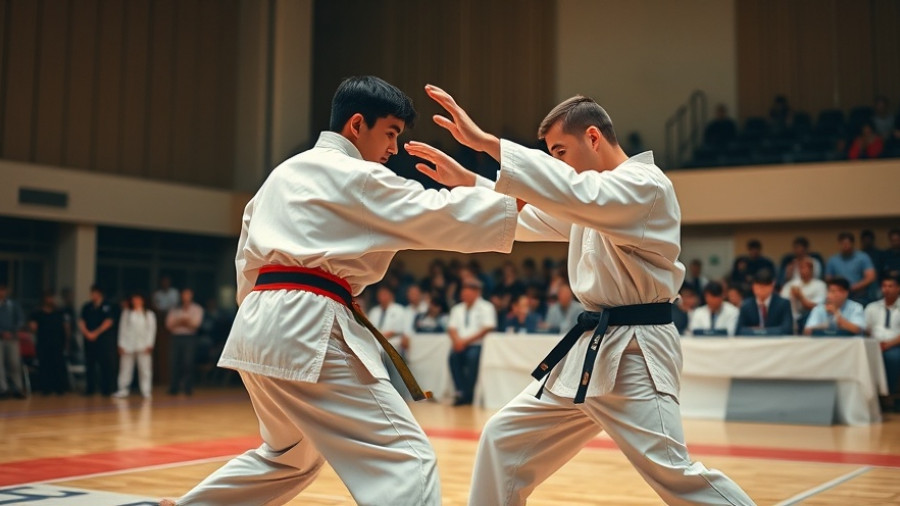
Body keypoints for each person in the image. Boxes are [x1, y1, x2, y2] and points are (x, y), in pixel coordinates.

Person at [163, 76, 520, 506]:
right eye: (390, 133)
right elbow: (438, 212)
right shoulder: (359, 176)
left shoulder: (282, 174)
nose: (393, 149)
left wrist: (262, 321)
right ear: (356, 125)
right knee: (404, 458)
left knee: (288, 456)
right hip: (306, 321)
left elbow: (246, 262)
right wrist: (515, 194)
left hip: (256, 323)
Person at [405, 86, 753, 505]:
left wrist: (487, 145)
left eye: (560, 151)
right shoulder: (591, 203)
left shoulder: (644, 186)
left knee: (674, 473)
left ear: (592, 138)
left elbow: (570, 195)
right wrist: (470, 180)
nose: (556, 164)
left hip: (636, 353)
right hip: (591, 349)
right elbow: (532, 217)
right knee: (503, 440)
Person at [447, 278, 497, 406]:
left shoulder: (486, 307)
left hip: (478, 344)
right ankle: (460, 392)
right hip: (460, 344)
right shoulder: (457, 308)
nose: (464, 294)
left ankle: (469, 394)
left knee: (472, 359)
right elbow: (451, 328)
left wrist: (465, 342)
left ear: (477, 293)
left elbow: (487, 328)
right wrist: (457, 341)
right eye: (463, 291)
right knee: (453, 357)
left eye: (468, 291)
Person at [368, 284, 411, 399]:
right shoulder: (374, 311)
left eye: (384, 294)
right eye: (380, 294)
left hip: (393, 343)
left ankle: (400, 395)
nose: (382, 297)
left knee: (390, 355)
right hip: (375, 343)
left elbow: (397, 330)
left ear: (391, 295)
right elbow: (369, 329)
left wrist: (381, 336)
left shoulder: (399, 310)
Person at [865, 275, 900, 410]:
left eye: (890, 286)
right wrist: (874, 344)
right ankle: (870, 396)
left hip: (895, 345)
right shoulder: (872, 307)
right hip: (874, 344)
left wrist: (889, 344)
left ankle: (888, 394)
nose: (887, 289)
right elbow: (866, 329)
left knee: (892, 357)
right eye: (884, 286)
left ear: (898, 288)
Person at [114, 293, 156, 399]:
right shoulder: (127, 313)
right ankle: (123, 389)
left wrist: (150, 344)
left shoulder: (149, 314)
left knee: (145, 369)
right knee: (125, 368)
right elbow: (122, 329)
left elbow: (151, 330)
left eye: (138, 299)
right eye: (134, 299)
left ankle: (146, 390)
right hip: (128, 344)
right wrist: (121, 344)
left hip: (143, 345)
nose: (136, 301)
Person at [29, 291, 71, 395]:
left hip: (57, 343)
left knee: (58, 365)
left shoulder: (60, 312)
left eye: (52, 297)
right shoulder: (37, 313)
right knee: (44, 365)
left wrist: (67, 341)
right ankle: (45, 388)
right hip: (43, 343)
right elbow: (32, 327)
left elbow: (66, 327)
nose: (51, 300)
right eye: (48, 298)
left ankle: (59, 388)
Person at [78, 285, 116, 396]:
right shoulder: (87, 306)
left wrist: (96, 333)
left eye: (94, 293)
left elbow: (109, 321)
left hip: (103, 340)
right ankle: (90, 388)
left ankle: (107, 389)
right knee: (90, 364)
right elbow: (81, 321)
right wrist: (87, 333)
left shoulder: (107, 306)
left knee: (105, 365)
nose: (92, 295)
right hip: (89, 340)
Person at [165, 288, 203, 396]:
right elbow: (169, 324)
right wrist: (183, 321)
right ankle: (174, 387)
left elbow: (195, 325)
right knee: (174, 362)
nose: (186, 297)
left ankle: (188, 387)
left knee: (188, 362)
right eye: (184, 294)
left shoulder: (197, 308)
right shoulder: (175, 309)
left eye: (188, 294)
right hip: (176, 337)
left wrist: (181, 322)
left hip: (189, 338)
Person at [736, 270, 793, 335]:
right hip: (753, 342)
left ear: (772, 286)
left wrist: (760, 331)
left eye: (764, 287)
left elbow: (787, 329)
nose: (760, 290)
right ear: (753, 287)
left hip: (776, 342)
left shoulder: (783, 304)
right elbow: (739, 331)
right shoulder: (746, 305)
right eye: (758, 287)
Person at [825, 232, 876, 304]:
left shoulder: (863, 257)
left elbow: (871, 277)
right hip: (838, 294)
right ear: (839, 244)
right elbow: (828, 279)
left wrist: (854, 287)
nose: (845, 246)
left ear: (852, 243)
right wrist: (839, 288)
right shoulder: (833, 260)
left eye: (847, 243)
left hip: (859, 295)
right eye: (843, 244)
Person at [780, 257, 827, 333]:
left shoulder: (820, 285)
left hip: (810, 317)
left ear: (811, 270)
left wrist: (800, 296)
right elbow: (781, 304)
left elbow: (816, 307)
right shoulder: (790, 285)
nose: (802, 271)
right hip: (792, 317)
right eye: (800, 268)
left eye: (805, 268)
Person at [0, 284, 26, 399]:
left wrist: (13, 331)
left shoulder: (12, 305)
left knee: (14, 363)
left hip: (12, 337)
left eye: (3, 290)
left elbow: (20, 319)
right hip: (0, 337)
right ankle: (3, 389)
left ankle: (17, 388)